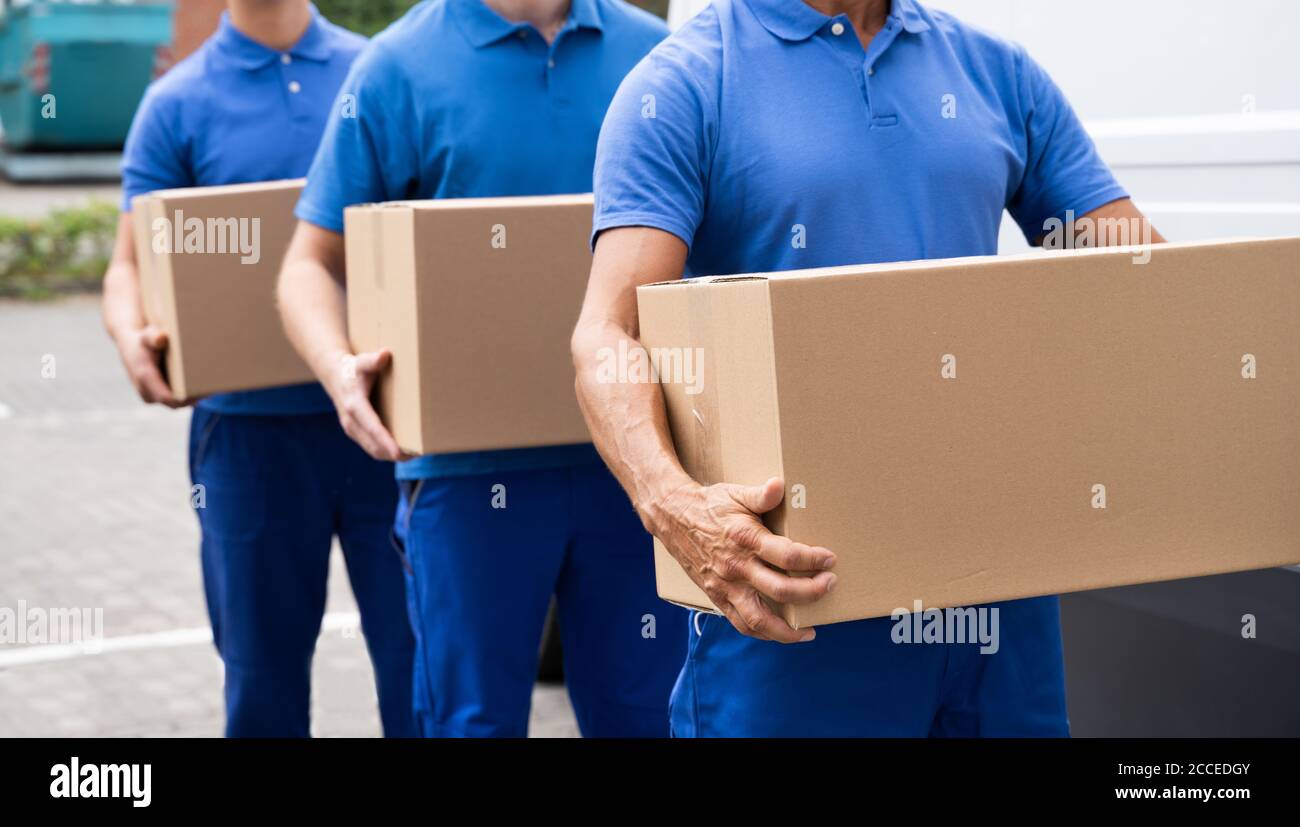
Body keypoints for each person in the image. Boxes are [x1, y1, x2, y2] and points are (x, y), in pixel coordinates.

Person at [572, 0, 1167, 736]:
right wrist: (677, 510)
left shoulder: (994, 71)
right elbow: (607, 335)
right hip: (795, 598)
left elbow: (1142, 281)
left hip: (1000, 589)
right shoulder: (686, 84)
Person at [277, 0, 684, 737]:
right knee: (472, 723)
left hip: (640, 462)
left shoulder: (662, 57)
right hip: (468, 479)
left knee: (647, 718)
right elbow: (309, 262)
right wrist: (339, 369)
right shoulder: (394, 69)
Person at [102, 0, 415, 738]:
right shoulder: (175, 103)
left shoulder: (376, 71)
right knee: (261, 679)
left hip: (388, 424)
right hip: (247, 444)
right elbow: (128, 264)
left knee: (419, 663)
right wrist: (129, 334)